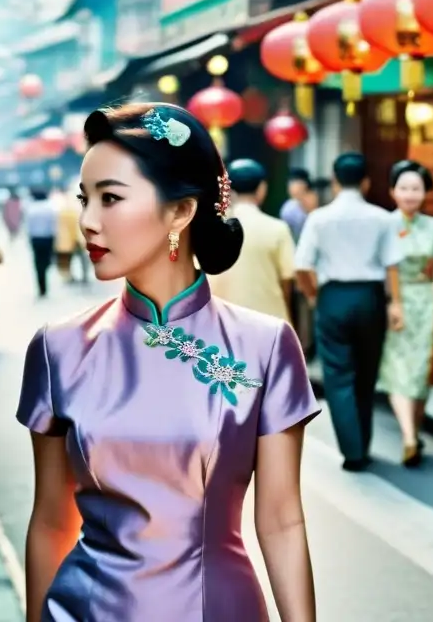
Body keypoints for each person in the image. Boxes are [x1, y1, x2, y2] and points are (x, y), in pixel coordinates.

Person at [18, 103, 319, 622]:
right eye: (84, 200)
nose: (88, 221)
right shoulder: (58, 348)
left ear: (181, 211)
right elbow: (50, 520)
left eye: (110, 198)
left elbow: (281, 520)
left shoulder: (265, 345)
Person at [295, 151, 404, 471]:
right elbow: (392, 266)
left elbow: (302, 266)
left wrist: (314, 295)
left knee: (338, 375)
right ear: (367, 182)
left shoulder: (319, 218)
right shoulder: (382, 217)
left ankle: (353, 451)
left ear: (335, 181)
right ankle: (364, 443)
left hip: (333, 296)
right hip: (370, 298)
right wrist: (395, 303)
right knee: (366, 375)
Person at [377, 160, 433, 467]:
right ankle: (408, 437)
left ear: (425, 192)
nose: (410, 194)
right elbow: (385, 267)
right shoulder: (384, 224)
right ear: (393, 191)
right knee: (397, 371)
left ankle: (414, 432)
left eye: (416, 189)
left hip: (425, 301)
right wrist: (393, 303)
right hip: (396, 302)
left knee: (420, 373)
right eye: (404, 188)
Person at [209, 158, 295, 320]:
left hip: (219, 320)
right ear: (261, 189)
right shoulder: (278, 228)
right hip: (268, 321)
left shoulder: (210, 229)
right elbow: (286, 282)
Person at [24, 189, 57, 297]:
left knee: (38, 263)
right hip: (48, 238)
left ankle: (41, 287)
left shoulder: (31, 209)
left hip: (36, 239)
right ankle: (45, 270)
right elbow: (54, 225)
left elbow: (28, 227)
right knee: (47, 260)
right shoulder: (50, 208)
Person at [280, 167, 316, 242]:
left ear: (304, 184)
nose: (290, 187)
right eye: (289, 184)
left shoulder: (313, 200)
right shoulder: (288, 207)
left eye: (293, 183)